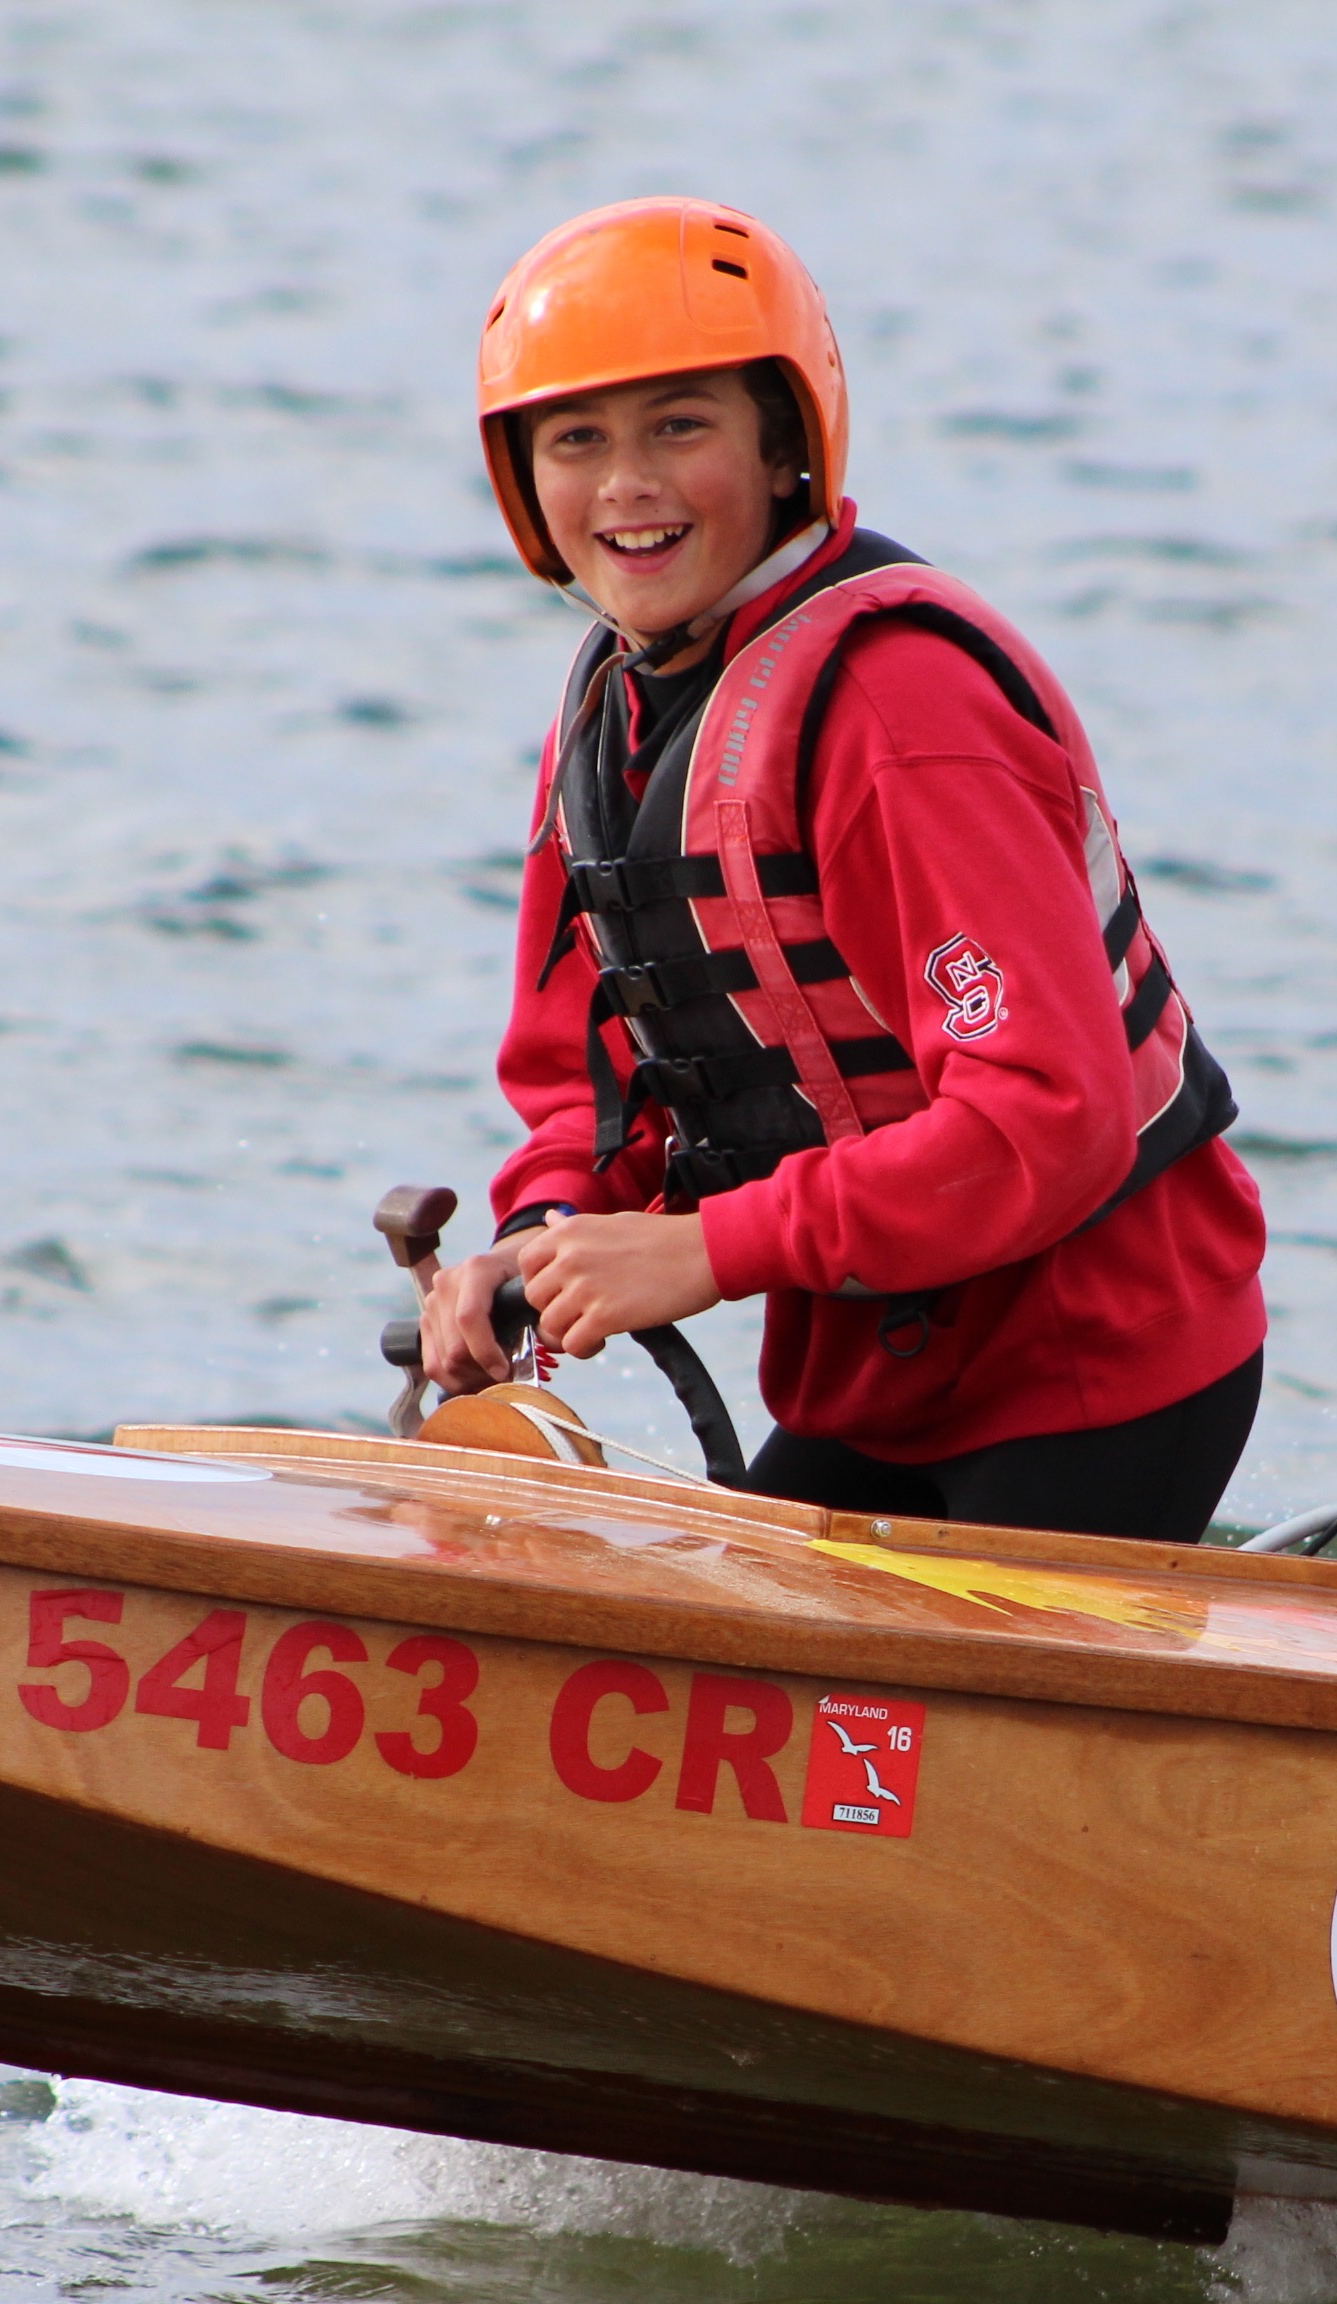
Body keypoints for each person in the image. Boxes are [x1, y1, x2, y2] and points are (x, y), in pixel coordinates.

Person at [420, 196, 1267, 1543]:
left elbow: (1043, 1117)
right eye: (577, 441)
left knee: (874, 1730)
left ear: (782, 448)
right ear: (525, 482)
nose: (627, 484)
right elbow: (581, 1086)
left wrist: (704, 1251)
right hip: (879, 1371)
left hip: (1096, 1367)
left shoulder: (900, 719)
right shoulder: (613, 722)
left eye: (679, 426)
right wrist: (547, 1233)